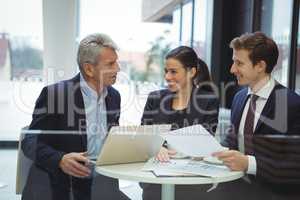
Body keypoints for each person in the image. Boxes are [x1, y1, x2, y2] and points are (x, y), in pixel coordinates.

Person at [21, 33, 128, 200]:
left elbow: (109, 139)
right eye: (111, 64)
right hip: (59, 187)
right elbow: (30, 142)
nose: (118, 68)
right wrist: (60, 159)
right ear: (89, 69)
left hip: (100, 183)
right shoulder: (55, 95)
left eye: (117, 62)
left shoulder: (114, 96)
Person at [213, 32, 300, 200]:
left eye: (239, 63)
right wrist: (210, 151)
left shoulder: (292, 105)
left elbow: (295, 167)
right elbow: (232, 142)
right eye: (233, 62)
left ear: (260, 66)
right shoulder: (239, 98)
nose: (232, 69)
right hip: (236, 190)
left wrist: (248, 163)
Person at [140, 46, 219, 200]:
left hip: (191, 182)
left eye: (174, 71)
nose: (168, 77)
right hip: (155, 182)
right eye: (166, 71)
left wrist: (161, 144)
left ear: (191, 72)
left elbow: (204, 142)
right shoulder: (155, 98)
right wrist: (155, 147)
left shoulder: (208, 101)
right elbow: (144, 137)